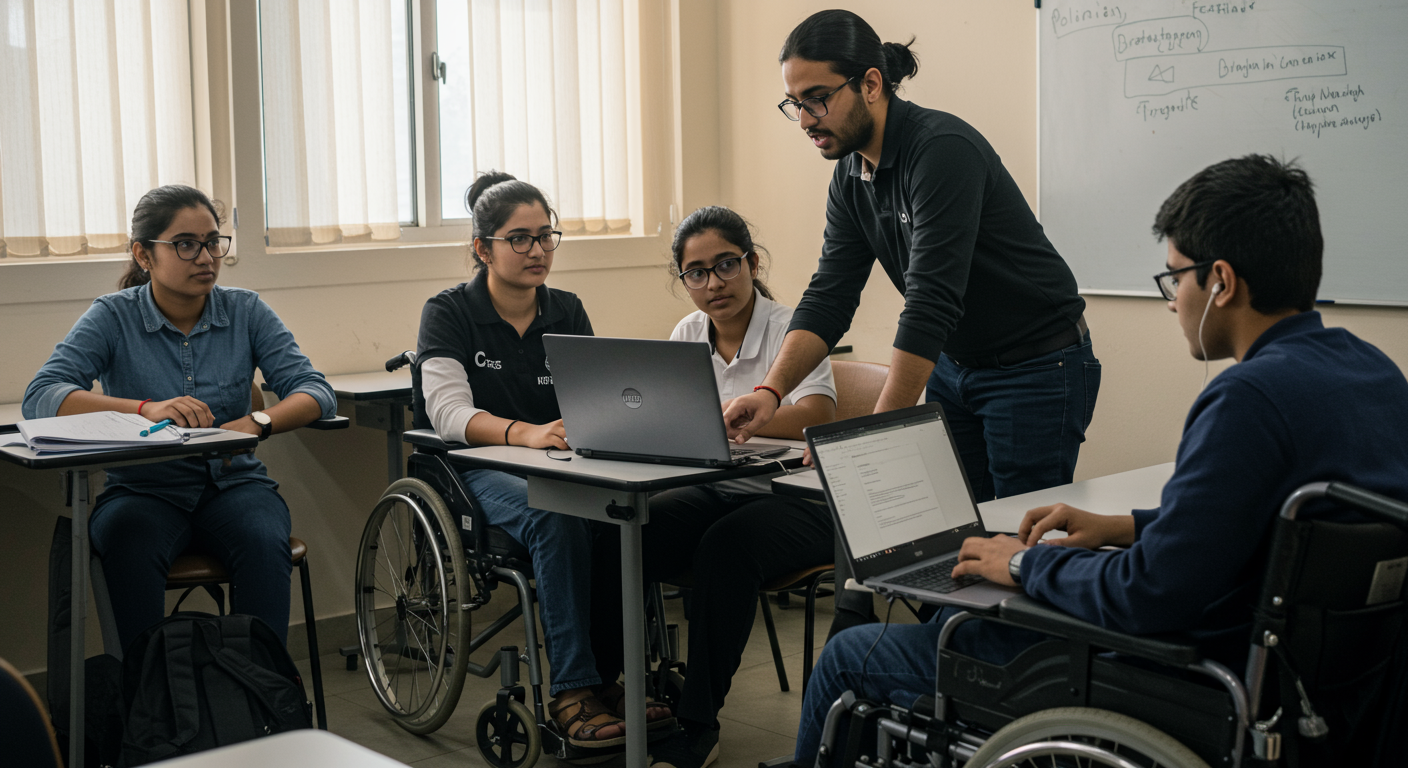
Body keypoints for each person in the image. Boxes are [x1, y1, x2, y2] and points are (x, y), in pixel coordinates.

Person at [791, 154, 1408, 763]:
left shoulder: (1247, 398)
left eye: (1175, 278)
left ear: (1220, 281)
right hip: (1326, 697)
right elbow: (1256, 529)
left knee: (853, 655)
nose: (1173, 302)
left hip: (1185, 680)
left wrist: (1026, 563)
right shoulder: (1373, 373)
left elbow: (1151, 592)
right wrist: (1125, 527)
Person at [724, 9, 1098, 507]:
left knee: (1020, 530)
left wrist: (878, 430)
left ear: (871, 84)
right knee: (955, 525)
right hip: (954, 364)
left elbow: (930, 301)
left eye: (817, 98)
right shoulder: (850, 175)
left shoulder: (941, 150)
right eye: (795, 104)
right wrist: (769, 393)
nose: (807, 120)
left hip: (1035, 365)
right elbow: (830, 295)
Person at [22, 184, 336, 650]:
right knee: (129, 544)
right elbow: (42, 396)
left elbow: (316, 392)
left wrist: (258, 422)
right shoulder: (113, 316)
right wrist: (144, 409)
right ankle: (147, 689)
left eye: (212, 242)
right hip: (141, 490)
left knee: (262, 540)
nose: (206, 257)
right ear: (143, 254)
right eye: (186, 244)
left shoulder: (246, 310)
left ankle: (260, 686)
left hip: (235, 487)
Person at [590, 207, 837, 768]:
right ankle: (606, 690)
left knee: (726, 546)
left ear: (752, 263)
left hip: (802, 497)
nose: (713, 283)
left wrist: (737, 417)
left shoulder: (792, 328)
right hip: (720, 489)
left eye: (726, 265)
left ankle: (697, 723)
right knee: (624, 531)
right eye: (696, 273)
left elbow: (818, 414)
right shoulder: (687, 333)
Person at [416, 171, 651, 749]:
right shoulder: (448, 312)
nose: (537, 250)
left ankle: (615, 679)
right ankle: (572, 689)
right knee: (556, 514)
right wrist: (525, 435)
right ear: (482, 248)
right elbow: (447, 413)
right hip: (477, 470)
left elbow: (593, 399)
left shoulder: (565, 310)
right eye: (519, 238)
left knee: (628, 511)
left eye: (546, 236)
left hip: (559, 463)